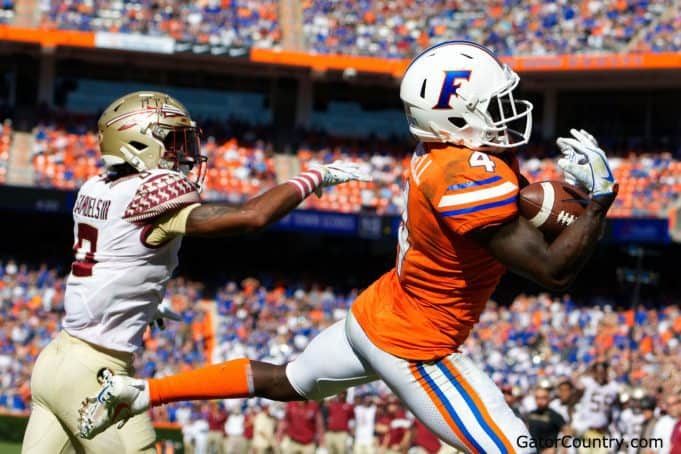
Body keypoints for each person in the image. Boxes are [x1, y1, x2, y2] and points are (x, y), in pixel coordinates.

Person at [79, 41, 619, 453]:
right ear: (456, 117)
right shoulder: (464, 171)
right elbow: (552, 272)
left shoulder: (449, 155)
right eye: (494, 104)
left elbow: (507, 206)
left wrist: (549, 201)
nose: (507, 113)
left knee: (289, 380)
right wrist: (597, 204)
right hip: (417, 346)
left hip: (376, 314)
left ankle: (145, 392)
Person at [21, 91, 369, 454]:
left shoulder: (94, 187)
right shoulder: (149, 194)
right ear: (138, 141)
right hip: (95, 373)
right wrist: (312, 177)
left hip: (55, 360)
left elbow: (111, 255)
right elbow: (251, 217)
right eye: (172, 141)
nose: (183, 152)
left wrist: (141, 299)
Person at [525, 387, 566, 453]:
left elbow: (568, 432)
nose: (540, 401)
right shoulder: (530, 414)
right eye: (537, 398)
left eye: (543, 398)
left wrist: (558, 447)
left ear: (549, 399)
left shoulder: (554, 415)